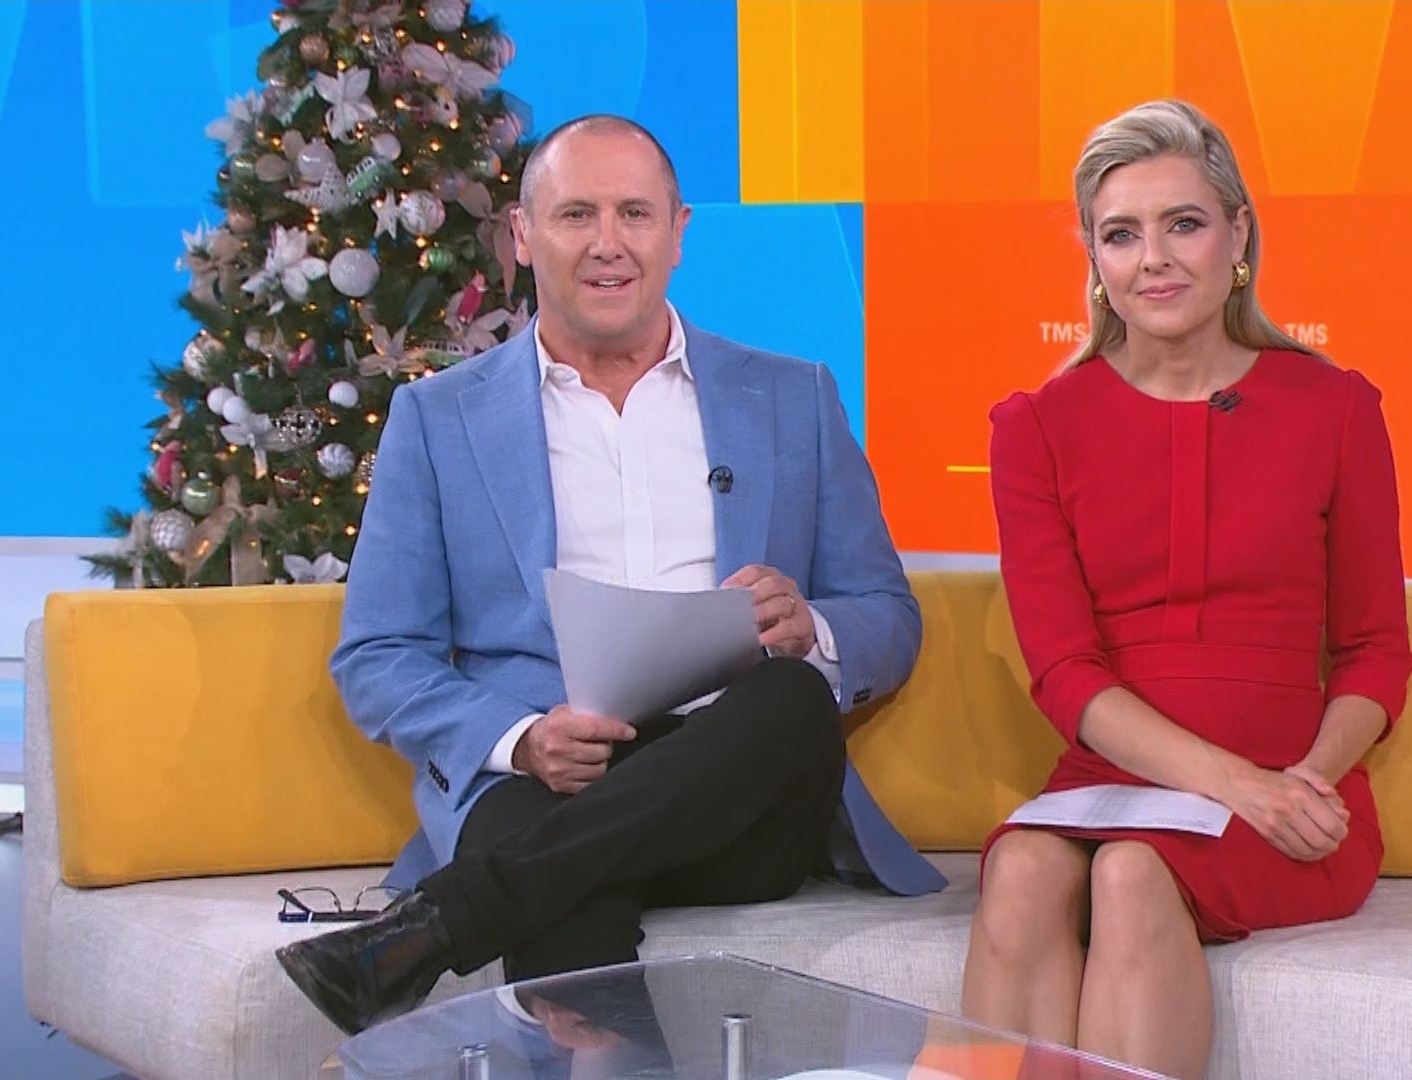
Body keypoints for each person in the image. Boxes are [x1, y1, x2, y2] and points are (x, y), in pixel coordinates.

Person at [277, 114, 945, 1037]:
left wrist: (813, 630)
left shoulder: (793, 396)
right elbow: (380, 653)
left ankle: (436, 927)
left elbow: (887, 613)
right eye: (575, 215)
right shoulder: (437, 419)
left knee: (790, 697)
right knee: (551, 868)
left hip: (740, 790)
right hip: (549, 784)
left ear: (677, 232)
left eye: (634, 213)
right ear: (522, 236)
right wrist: (520, 740)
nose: (607, 243)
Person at [959, 99, 1412, 1077]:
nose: (1154, 259)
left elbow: (1376, 651)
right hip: (1115, 781)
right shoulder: (1036, 427)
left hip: (1292, 789)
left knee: (1133, 871)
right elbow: (1065, 674)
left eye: (1185, 224)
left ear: (1238, 235)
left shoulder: (1334, 409)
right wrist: (1229, 783)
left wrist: (1302, 783)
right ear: (1094, 256)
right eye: (1122, 234)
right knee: (1023, 867)